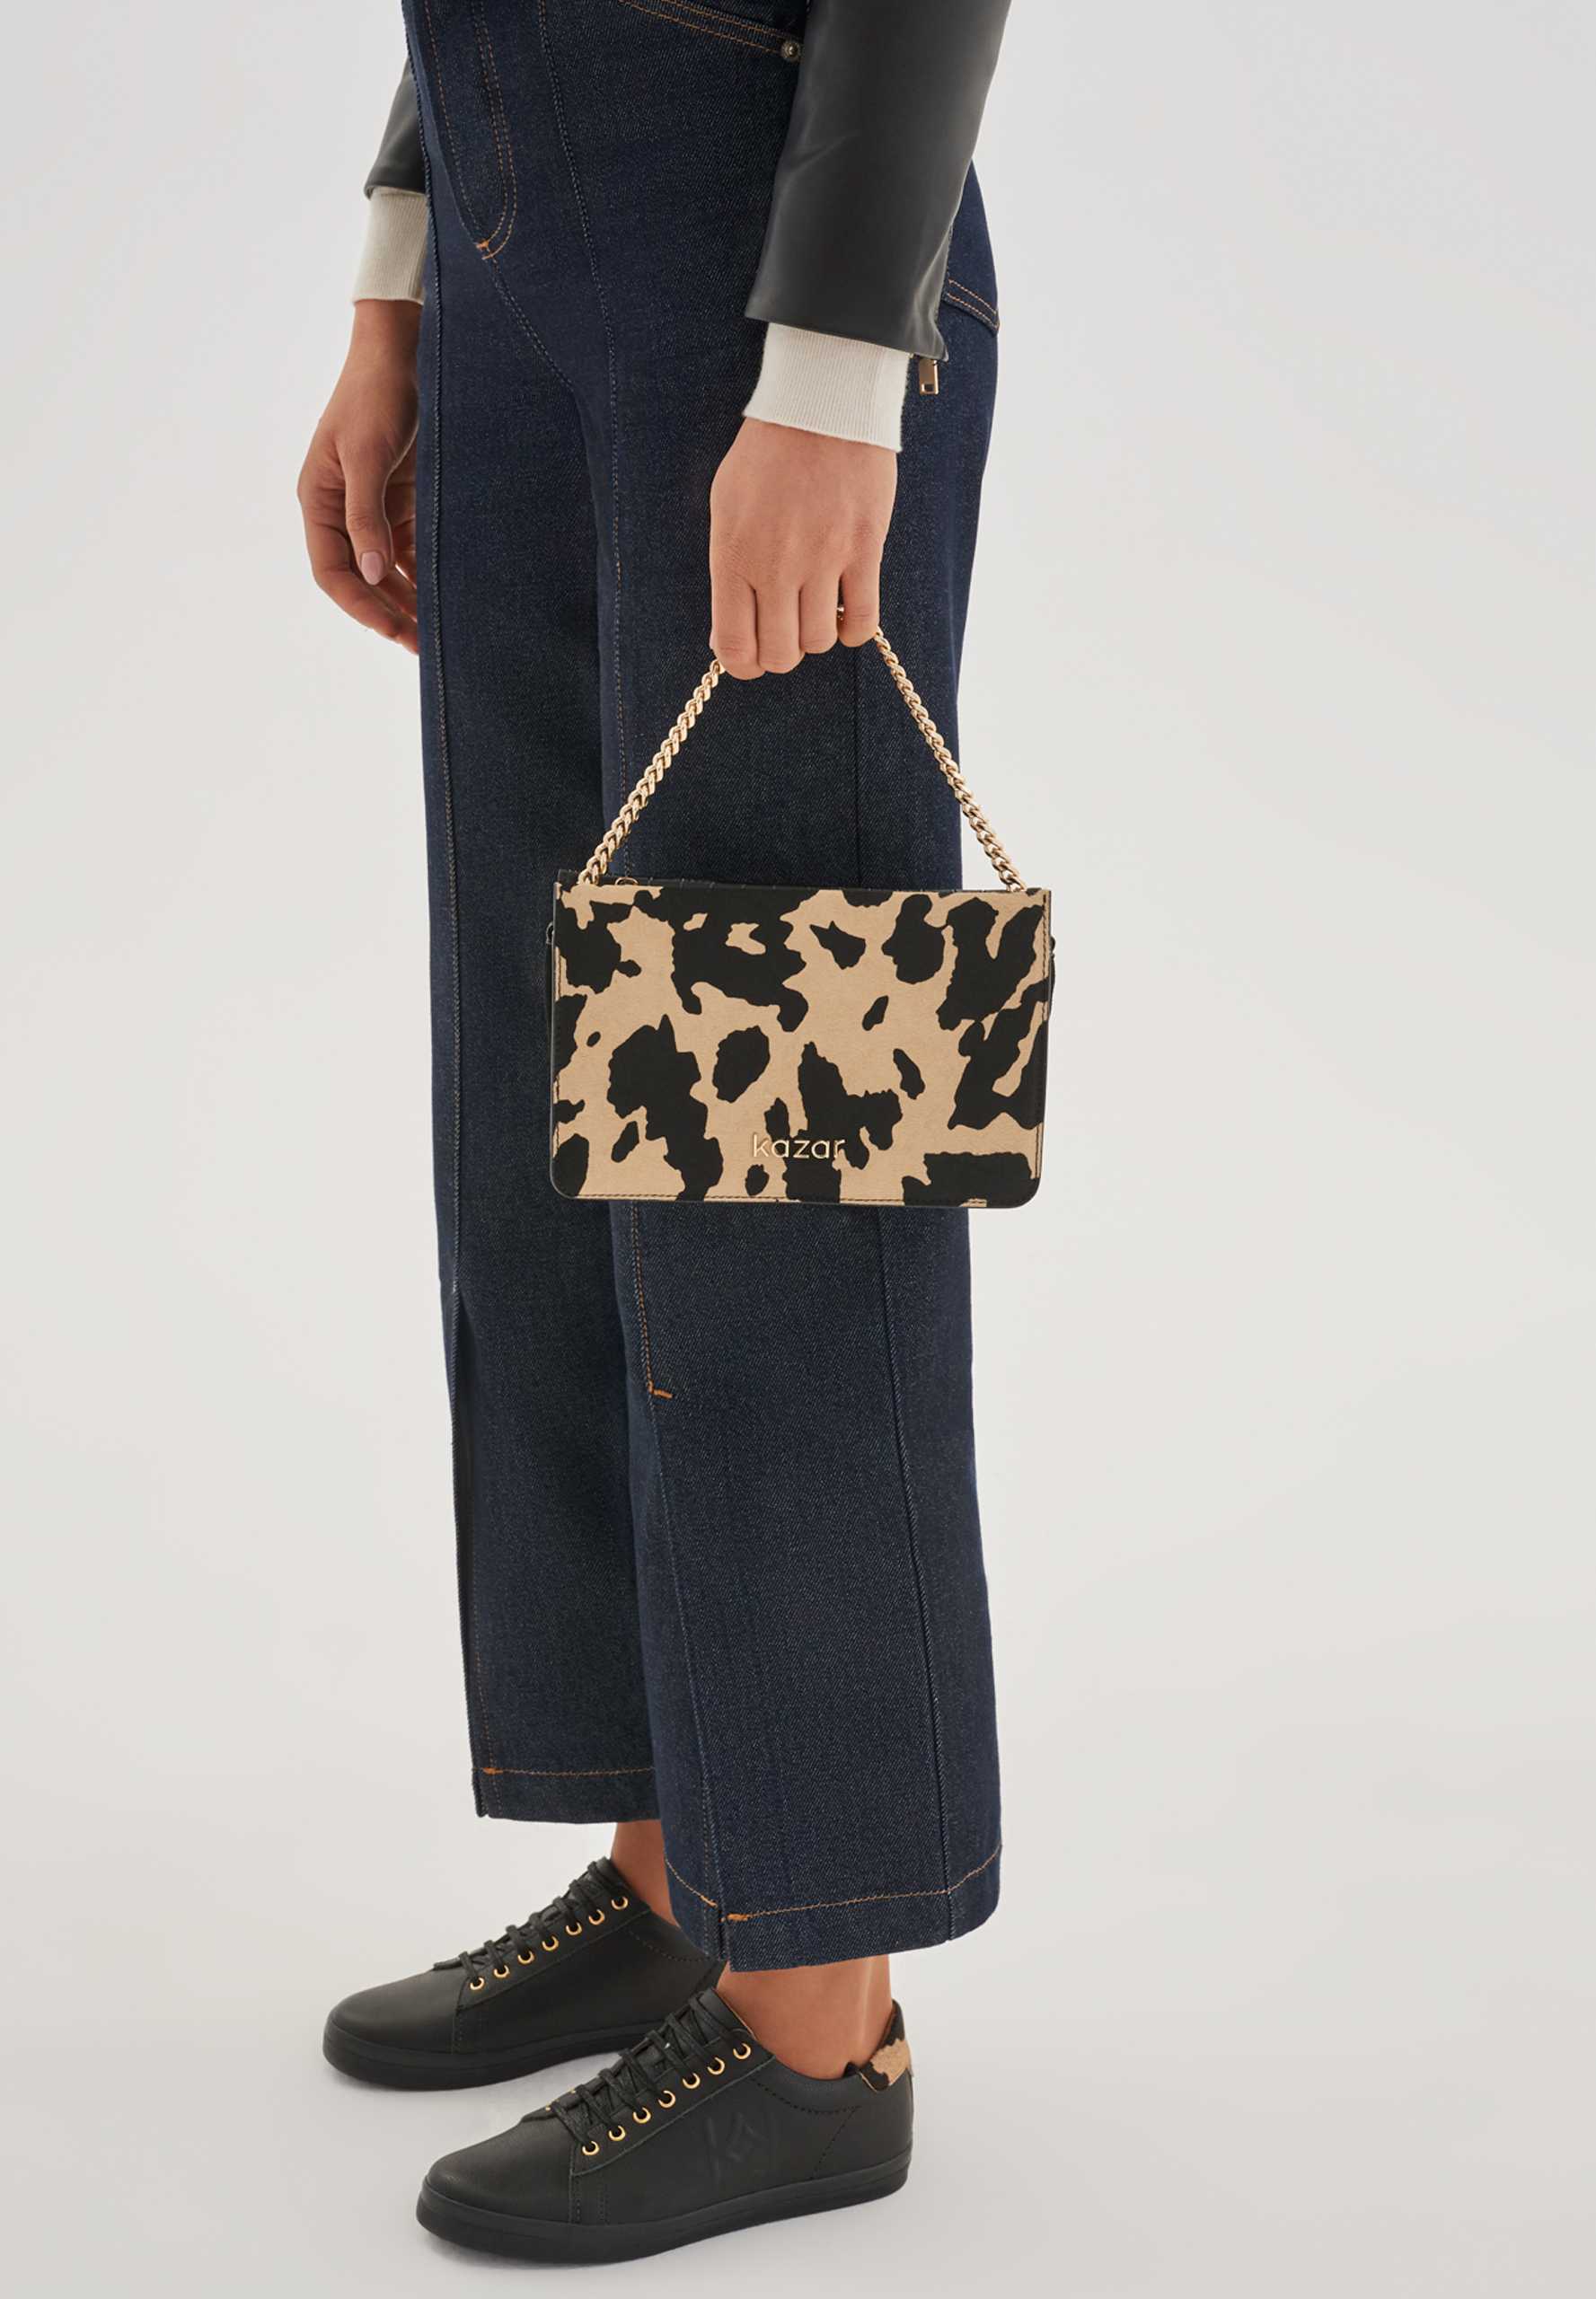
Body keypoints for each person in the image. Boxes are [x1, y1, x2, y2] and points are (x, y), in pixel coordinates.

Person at [297, 0, 1012, 2264]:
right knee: (549, 1121)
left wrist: (838, 363)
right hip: (517, 233)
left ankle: (816, 2024)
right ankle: (682, 1871)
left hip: (759, 246)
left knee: (771, 1143)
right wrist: (402, 276)